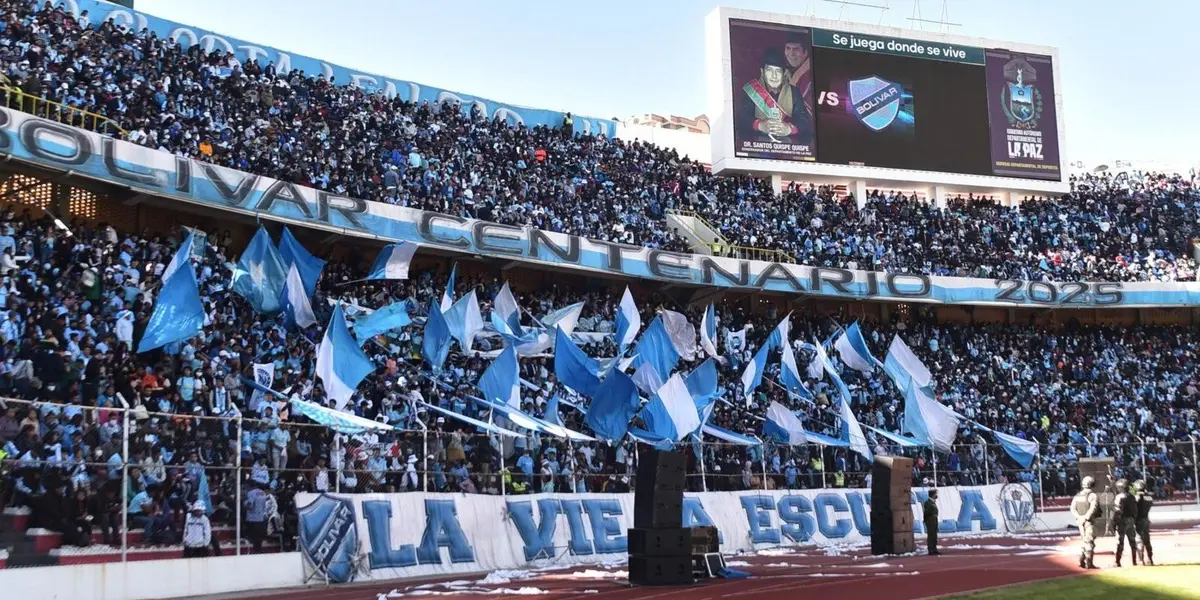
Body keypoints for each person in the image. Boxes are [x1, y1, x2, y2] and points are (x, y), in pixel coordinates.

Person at [738, 48, 808, 143]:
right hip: (757, 146)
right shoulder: (752, 91)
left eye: (778, 71)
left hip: (787, 147)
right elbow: (742, 117)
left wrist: (789, 129)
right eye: (769, 71)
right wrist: (759, 125)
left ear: (784, 73)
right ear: (762, 72)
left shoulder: (794, 92)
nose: (774, 76)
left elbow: (803, 119)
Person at [1069, 476, 1099, 569]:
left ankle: (1081, 560)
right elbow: (1093, 508)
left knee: (1084, 541)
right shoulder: (1092, 495)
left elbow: (1072, 508)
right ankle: (1089, 563)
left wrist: (1079, 517)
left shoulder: (1078, 496)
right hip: (1089, 521)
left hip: (1080, 521)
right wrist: (1086, 517)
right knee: (1089, 541)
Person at [1112, 478, 1138, 566]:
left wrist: (1114, 523)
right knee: (1132, 541)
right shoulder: (1132, 496)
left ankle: (1117, 561)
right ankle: (1134, 561)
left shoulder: (1119, 497)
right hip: (1131, 520)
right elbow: (1135, 510)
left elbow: (1117, 511)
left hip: (1122, 521)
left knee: (1120, 542)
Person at [1133, 479, 1154, 566]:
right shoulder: (1149, 497)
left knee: (1139, 540)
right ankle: (1150, 559)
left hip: (1138, 520)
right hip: (1146, 519)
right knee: (1147, 541)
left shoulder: (1137, 498)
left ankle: (1141, 560)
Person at [924, 489, 940, 556]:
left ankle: (934, 548)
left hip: (934, 519)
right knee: (931, 535)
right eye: (935, 494)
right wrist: (927, 520)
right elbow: (926, 512)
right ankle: (930, 549)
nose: (936, 495)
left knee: (934, 535)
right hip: (930, 520)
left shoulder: (933, 502)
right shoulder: (928, 502)